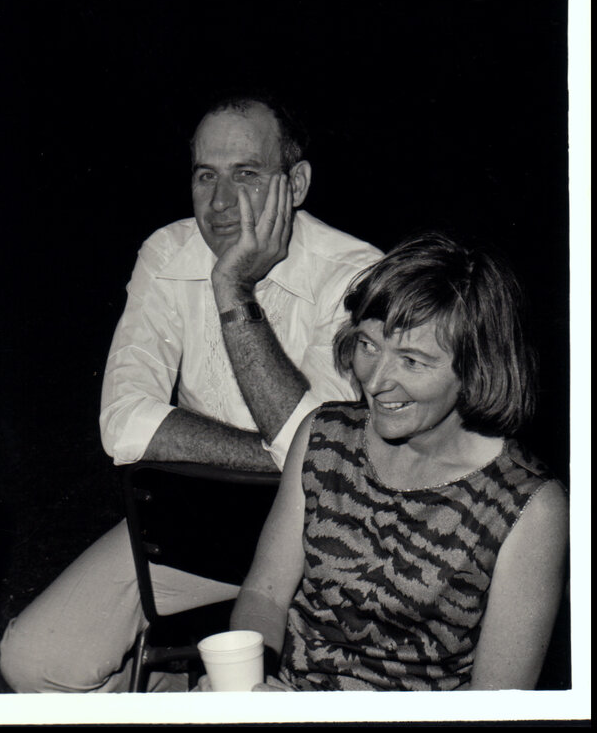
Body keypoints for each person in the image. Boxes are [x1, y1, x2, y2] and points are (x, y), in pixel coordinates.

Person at [0, 93, 383, 692]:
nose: (221, 201)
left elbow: (318, 459)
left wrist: (232, 286)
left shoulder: (357, 275)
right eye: (206, 175)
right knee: (34, 660)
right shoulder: (168, 251)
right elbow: (123, 423)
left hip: (315, 548)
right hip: (189, 534)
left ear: (297, 182)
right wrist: (269, 456)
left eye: (247, 175)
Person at [217, 232, 568, 691]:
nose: (377, 381)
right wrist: (247, 689)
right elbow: (264, 594)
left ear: (477, 367)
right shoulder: (323, 437)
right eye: (368, 345)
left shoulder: (526, 505)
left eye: (412, 360)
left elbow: (496, 705)